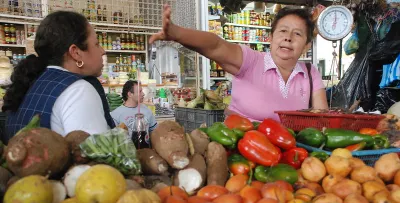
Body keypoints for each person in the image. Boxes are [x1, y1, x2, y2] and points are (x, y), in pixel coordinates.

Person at [150, 5, 328, 121]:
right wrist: (176, 33)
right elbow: (216, 45)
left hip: (289, 156)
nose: (288, 38)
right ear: (271, 37)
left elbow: (322, 120)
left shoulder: (310, 72)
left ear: (306, 46)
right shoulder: (251, 61)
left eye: (297, 34)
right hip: (241, 151)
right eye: (283, 31)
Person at [2, 11, 115, 141]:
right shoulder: (78, 90)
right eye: (96, 44)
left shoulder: (30, 82)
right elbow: (100, 156)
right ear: (75, 52)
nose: (103, 51)